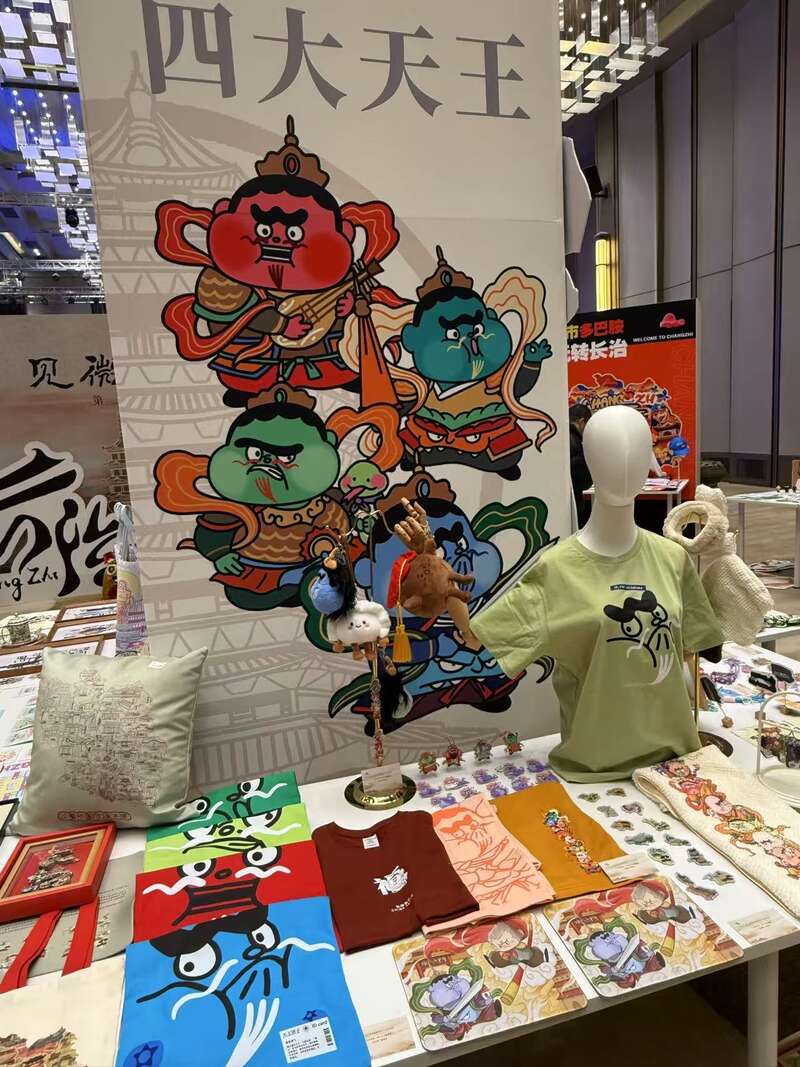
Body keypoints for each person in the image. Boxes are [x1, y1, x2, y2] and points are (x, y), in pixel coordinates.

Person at [569, 403, 593, 526]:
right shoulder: (575, 440)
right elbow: (584, 481)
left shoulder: (559, 437)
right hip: (572, 503)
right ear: (582, 422)